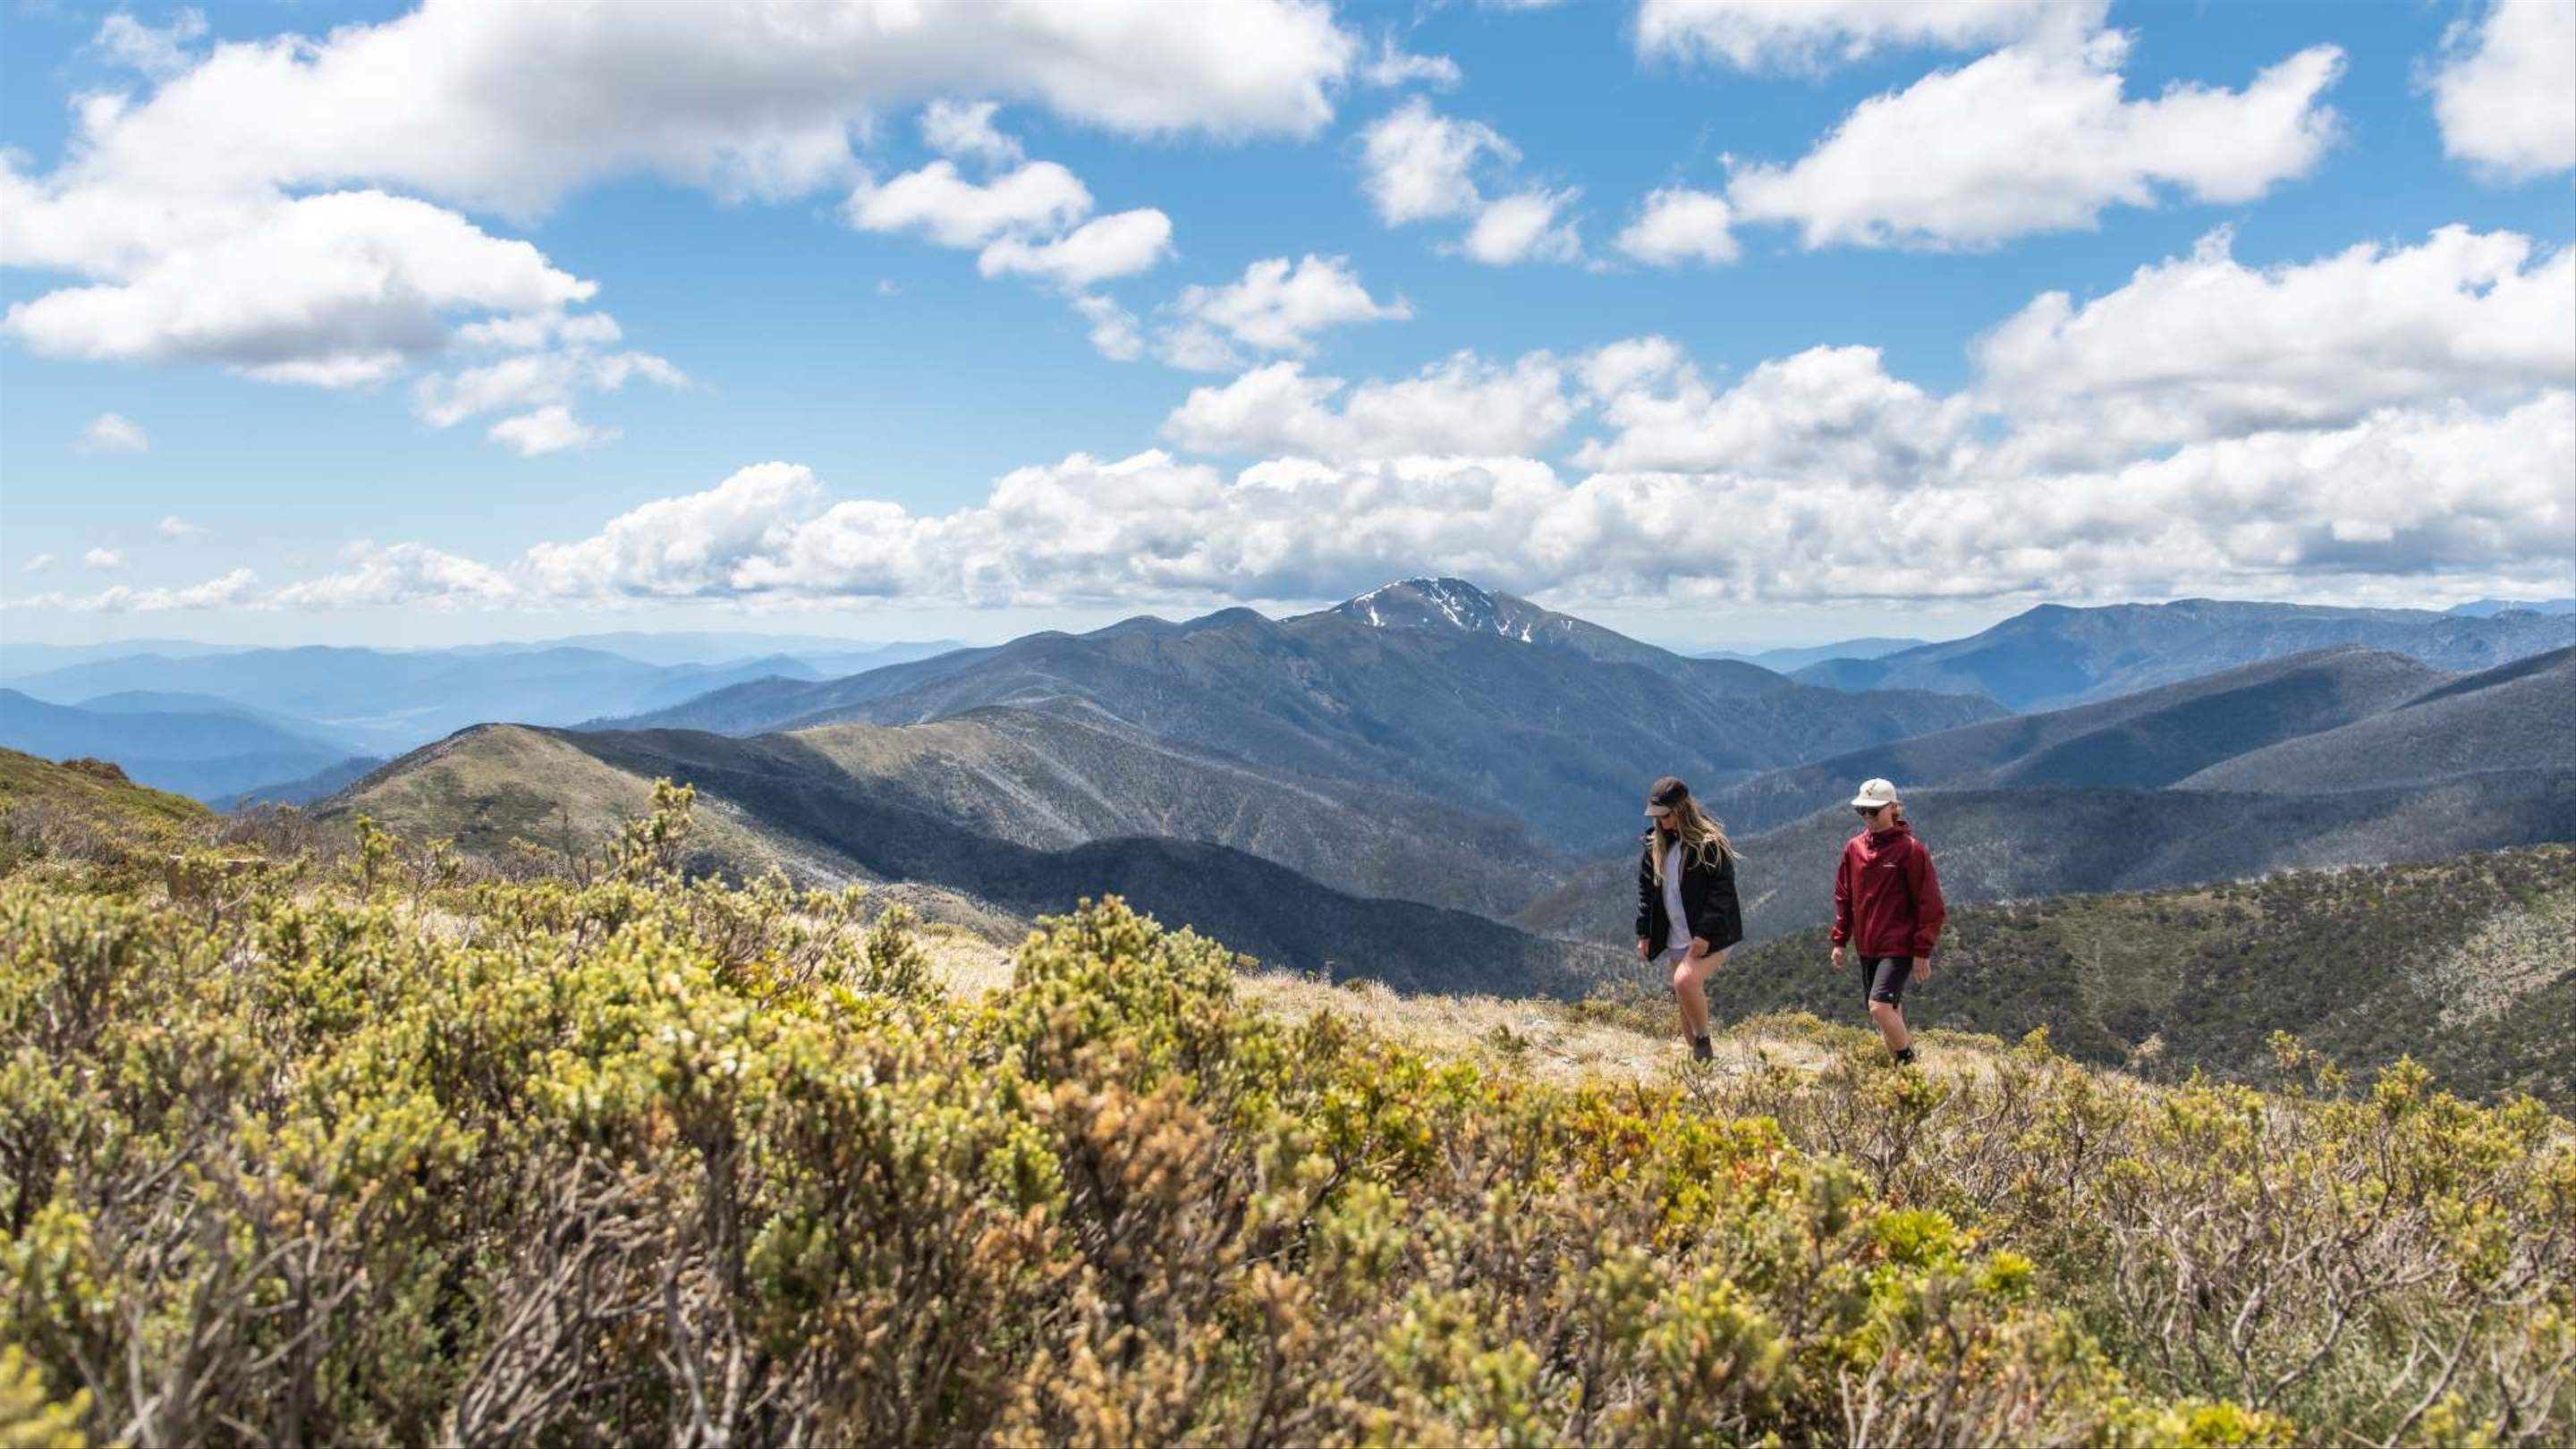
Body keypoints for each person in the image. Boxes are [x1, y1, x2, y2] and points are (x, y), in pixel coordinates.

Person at [1829, 777, 1946, 1066]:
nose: (1868, 817)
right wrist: (1840, 940)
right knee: (1890, 1011)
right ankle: (1902, 1080)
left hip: (1899, 945)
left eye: (1874, 811)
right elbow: (1844, 896)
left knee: (1878, 1007)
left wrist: (1922, 950)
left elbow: (1930, 904)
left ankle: (1909, 1060)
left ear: (1893, 808)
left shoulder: (1911, 850)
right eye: (1862, 812)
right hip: (1867, 946)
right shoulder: (1854, 848)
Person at [1633, 775, 1744, 1063]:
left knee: (1685, 982)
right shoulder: (1654, 844)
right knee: (1685, 1008)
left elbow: (1722, 893)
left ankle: (1705, 1042)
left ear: (1682, 809)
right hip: (1676, 935)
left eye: (1665, 815)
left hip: (1713, 933)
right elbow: (1647, 891)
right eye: (1656, 816)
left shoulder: (1709, 843)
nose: (1660, 821)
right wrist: (1644, 933)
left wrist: (1704, 934)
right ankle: (1701, 1068)